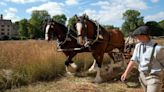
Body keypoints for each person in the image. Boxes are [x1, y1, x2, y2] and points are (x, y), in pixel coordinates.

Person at [121, 25, 164, 92]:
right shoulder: (138, 46)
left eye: (137, 35)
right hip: (142, 77)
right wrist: (126, 73)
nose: (136, 37)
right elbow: (133, 60)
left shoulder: (158, 49)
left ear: (144, 36)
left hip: (154, 78)